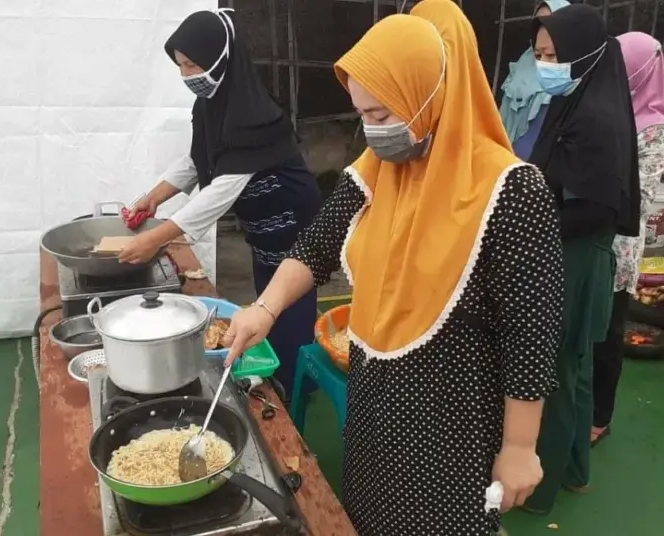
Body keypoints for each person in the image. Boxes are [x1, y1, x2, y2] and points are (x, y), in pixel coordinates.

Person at [223, 1, 564, 533]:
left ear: (428, 93)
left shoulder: (512, 190)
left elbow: (531, 332)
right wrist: (263, 309)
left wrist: (521, 446)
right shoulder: (382, 167)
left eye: (381, 116)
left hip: (453, 420)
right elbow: (317, 244)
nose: (372, 131)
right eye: (362, 115)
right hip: (375, 403)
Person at [118, 8, 322, 394]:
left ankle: (294, 391)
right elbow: (199, 158)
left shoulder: (252, 114)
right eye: (180, 66)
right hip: (263, 227)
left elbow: (221, 190)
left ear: (221, 57)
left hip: (291, 219)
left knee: (288, 304)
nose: (187, 75)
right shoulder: (212, 105)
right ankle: (278, 372)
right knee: (267, 298)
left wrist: (156, 237)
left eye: (193, 65)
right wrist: (153, 197)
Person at [523, 4, 640, 513]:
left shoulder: (596, 120)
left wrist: (526, 224)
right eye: (540, 55)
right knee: (574, 370)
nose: (545, 66)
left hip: (573, 261)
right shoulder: (576, 103)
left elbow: (598, 208)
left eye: (553, 56)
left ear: (585, 55)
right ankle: (574, 472)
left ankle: (538, 493)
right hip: (572, 257)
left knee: (551, 379)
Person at [592, 32, 664, 446]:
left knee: (607, 332)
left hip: (618, 245)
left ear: (642, 69)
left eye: (622, 64)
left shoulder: (654, 129)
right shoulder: (613, 112)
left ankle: (600, 416)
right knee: (587, 330)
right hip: (594, 236)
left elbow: (643, 194)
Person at [499, 0, 569, 160]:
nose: (543, 27)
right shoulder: (525, 62)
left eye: (550, 21)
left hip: (545, 167)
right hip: (508, 158)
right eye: (538, 22)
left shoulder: (571, 68)